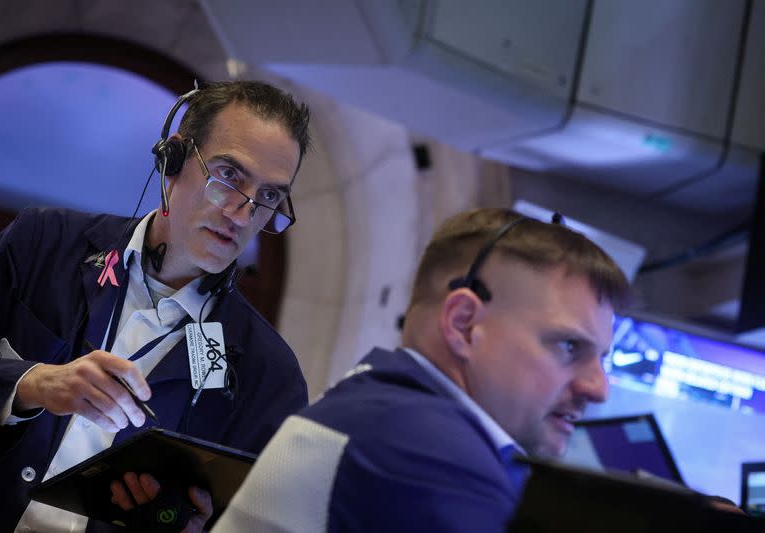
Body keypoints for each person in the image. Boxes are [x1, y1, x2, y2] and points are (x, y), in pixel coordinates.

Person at [0, 80, 311, 532]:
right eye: (229, 175)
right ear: (172, 160)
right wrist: (30, 385)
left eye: (267, 197)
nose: (242, 215)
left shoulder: (270, 376)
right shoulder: (42, 243)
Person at [211, 207, 632, 532]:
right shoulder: (425, 454)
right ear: (463, 324)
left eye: (602, 358)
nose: (598, 388)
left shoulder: (387, 408)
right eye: (569, 346)